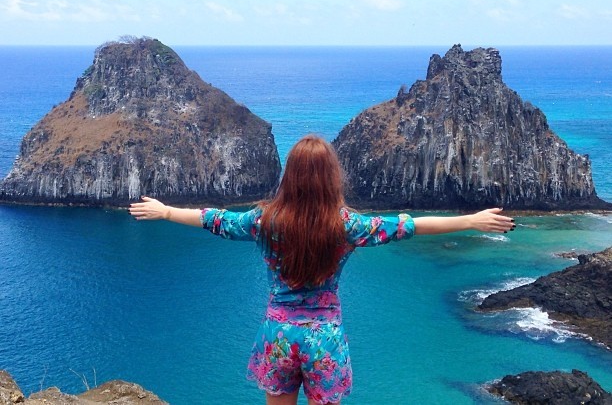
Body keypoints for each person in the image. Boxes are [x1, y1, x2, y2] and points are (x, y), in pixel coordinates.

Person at [129, 134, 515, 405]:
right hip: (324, 340)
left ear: (289, 176)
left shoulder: (267, 220)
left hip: (278, 335)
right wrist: (471, 220)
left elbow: (215, 219)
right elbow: (409, 225)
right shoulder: (345, 225)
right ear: (332, 177)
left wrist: (165, 212)